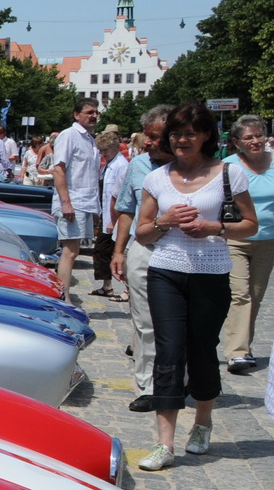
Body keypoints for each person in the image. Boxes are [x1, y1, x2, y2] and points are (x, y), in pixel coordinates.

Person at [133, 103, 257, 470]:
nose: (181, 140)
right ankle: (165, 444)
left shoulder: (228, 174)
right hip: (166, 272)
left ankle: (202, 422)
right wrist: (165, 221)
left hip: (211, 272)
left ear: (206, 135)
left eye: (189, 133)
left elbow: (250, 224)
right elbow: (142, 232)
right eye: (175, 134)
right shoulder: (157, 178)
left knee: (202, 349)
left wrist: (213, 227)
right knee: (168, 351)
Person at [110, 105, 172, 413]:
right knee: (145, 323)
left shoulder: (193, 169)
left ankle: (178, 380)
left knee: (179, 325)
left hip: (182, 252)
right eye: (146, 135)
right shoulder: (138, 166)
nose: (147, 142)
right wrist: (119, 251)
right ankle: (148, 385)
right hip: (143, 250)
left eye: (155, 136)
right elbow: (126, 211)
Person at [222, 114, 273, 374]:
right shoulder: (228, 166)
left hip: (268, 240)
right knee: (239, 294)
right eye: (249, 137)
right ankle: (237, 352)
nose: (255, 141)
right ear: (237, 142)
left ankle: (245, 345)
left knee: (255, 295)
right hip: (236, 237)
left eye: (259, 135)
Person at [50, 99, 103, 296]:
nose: (94, 116)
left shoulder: (89, 139)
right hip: (73, 201)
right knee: (70, 251)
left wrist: (95, 209)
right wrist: (66, 203)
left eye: (96, 112)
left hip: (86, 202)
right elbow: (58, 169)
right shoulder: (69, 135)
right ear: (76, 114)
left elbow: (90, 175)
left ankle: (64, 294)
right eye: (89, 112)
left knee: (75, 251)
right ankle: (63, 297)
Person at [93, 125, 130, 300]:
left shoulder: (121, 166)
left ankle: (126, 288)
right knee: (103, 251)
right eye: (101, 150)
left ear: (115, 147)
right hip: (106, 214)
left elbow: (118, 196)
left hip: (113, 217)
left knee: (110, 251)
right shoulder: (109, 164)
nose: (103, 154)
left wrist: (113, 220)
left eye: (105, 150)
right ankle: (107, 286)